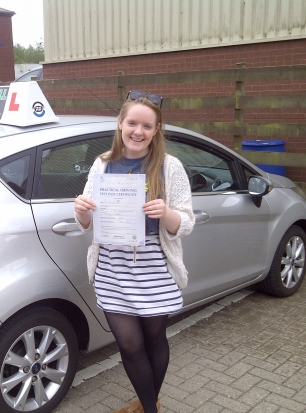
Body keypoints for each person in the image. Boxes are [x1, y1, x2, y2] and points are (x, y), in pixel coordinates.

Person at [74, 90, 195, 413]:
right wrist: (82, 208)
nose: (137, 132)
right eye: (132, 123)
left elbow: (185, 221)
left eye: (146, 126)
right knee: (129, 344)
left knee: (155, 340)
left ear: (157, 130)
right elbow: (86, 223)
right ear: (120, 124)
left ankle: (146, 404)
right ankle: (150, 409)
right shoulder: (102, 165)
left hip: (154, 267)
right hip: (113, 268)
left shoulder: (170, 167)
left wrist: (166, 213)